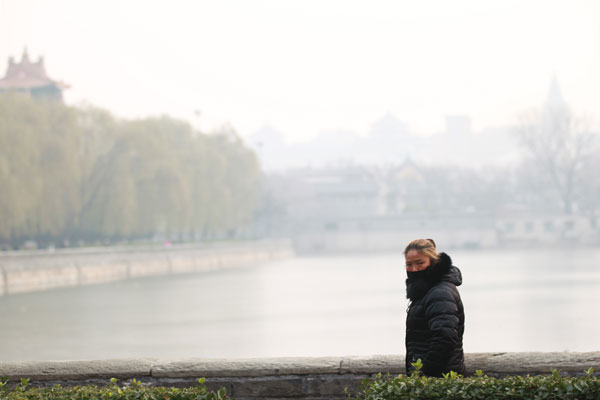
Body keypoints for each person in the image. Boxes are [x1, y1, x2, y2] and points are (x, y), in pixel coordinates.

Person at [404, 238, 465, 377]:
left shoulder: (440, 292)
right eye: (409, 264)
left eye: (420, 263)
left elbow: (445, 338)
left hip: (441, 380)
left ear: (433, 262)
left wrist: (424, 374)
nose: (413, 269)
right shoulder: (425, 291)